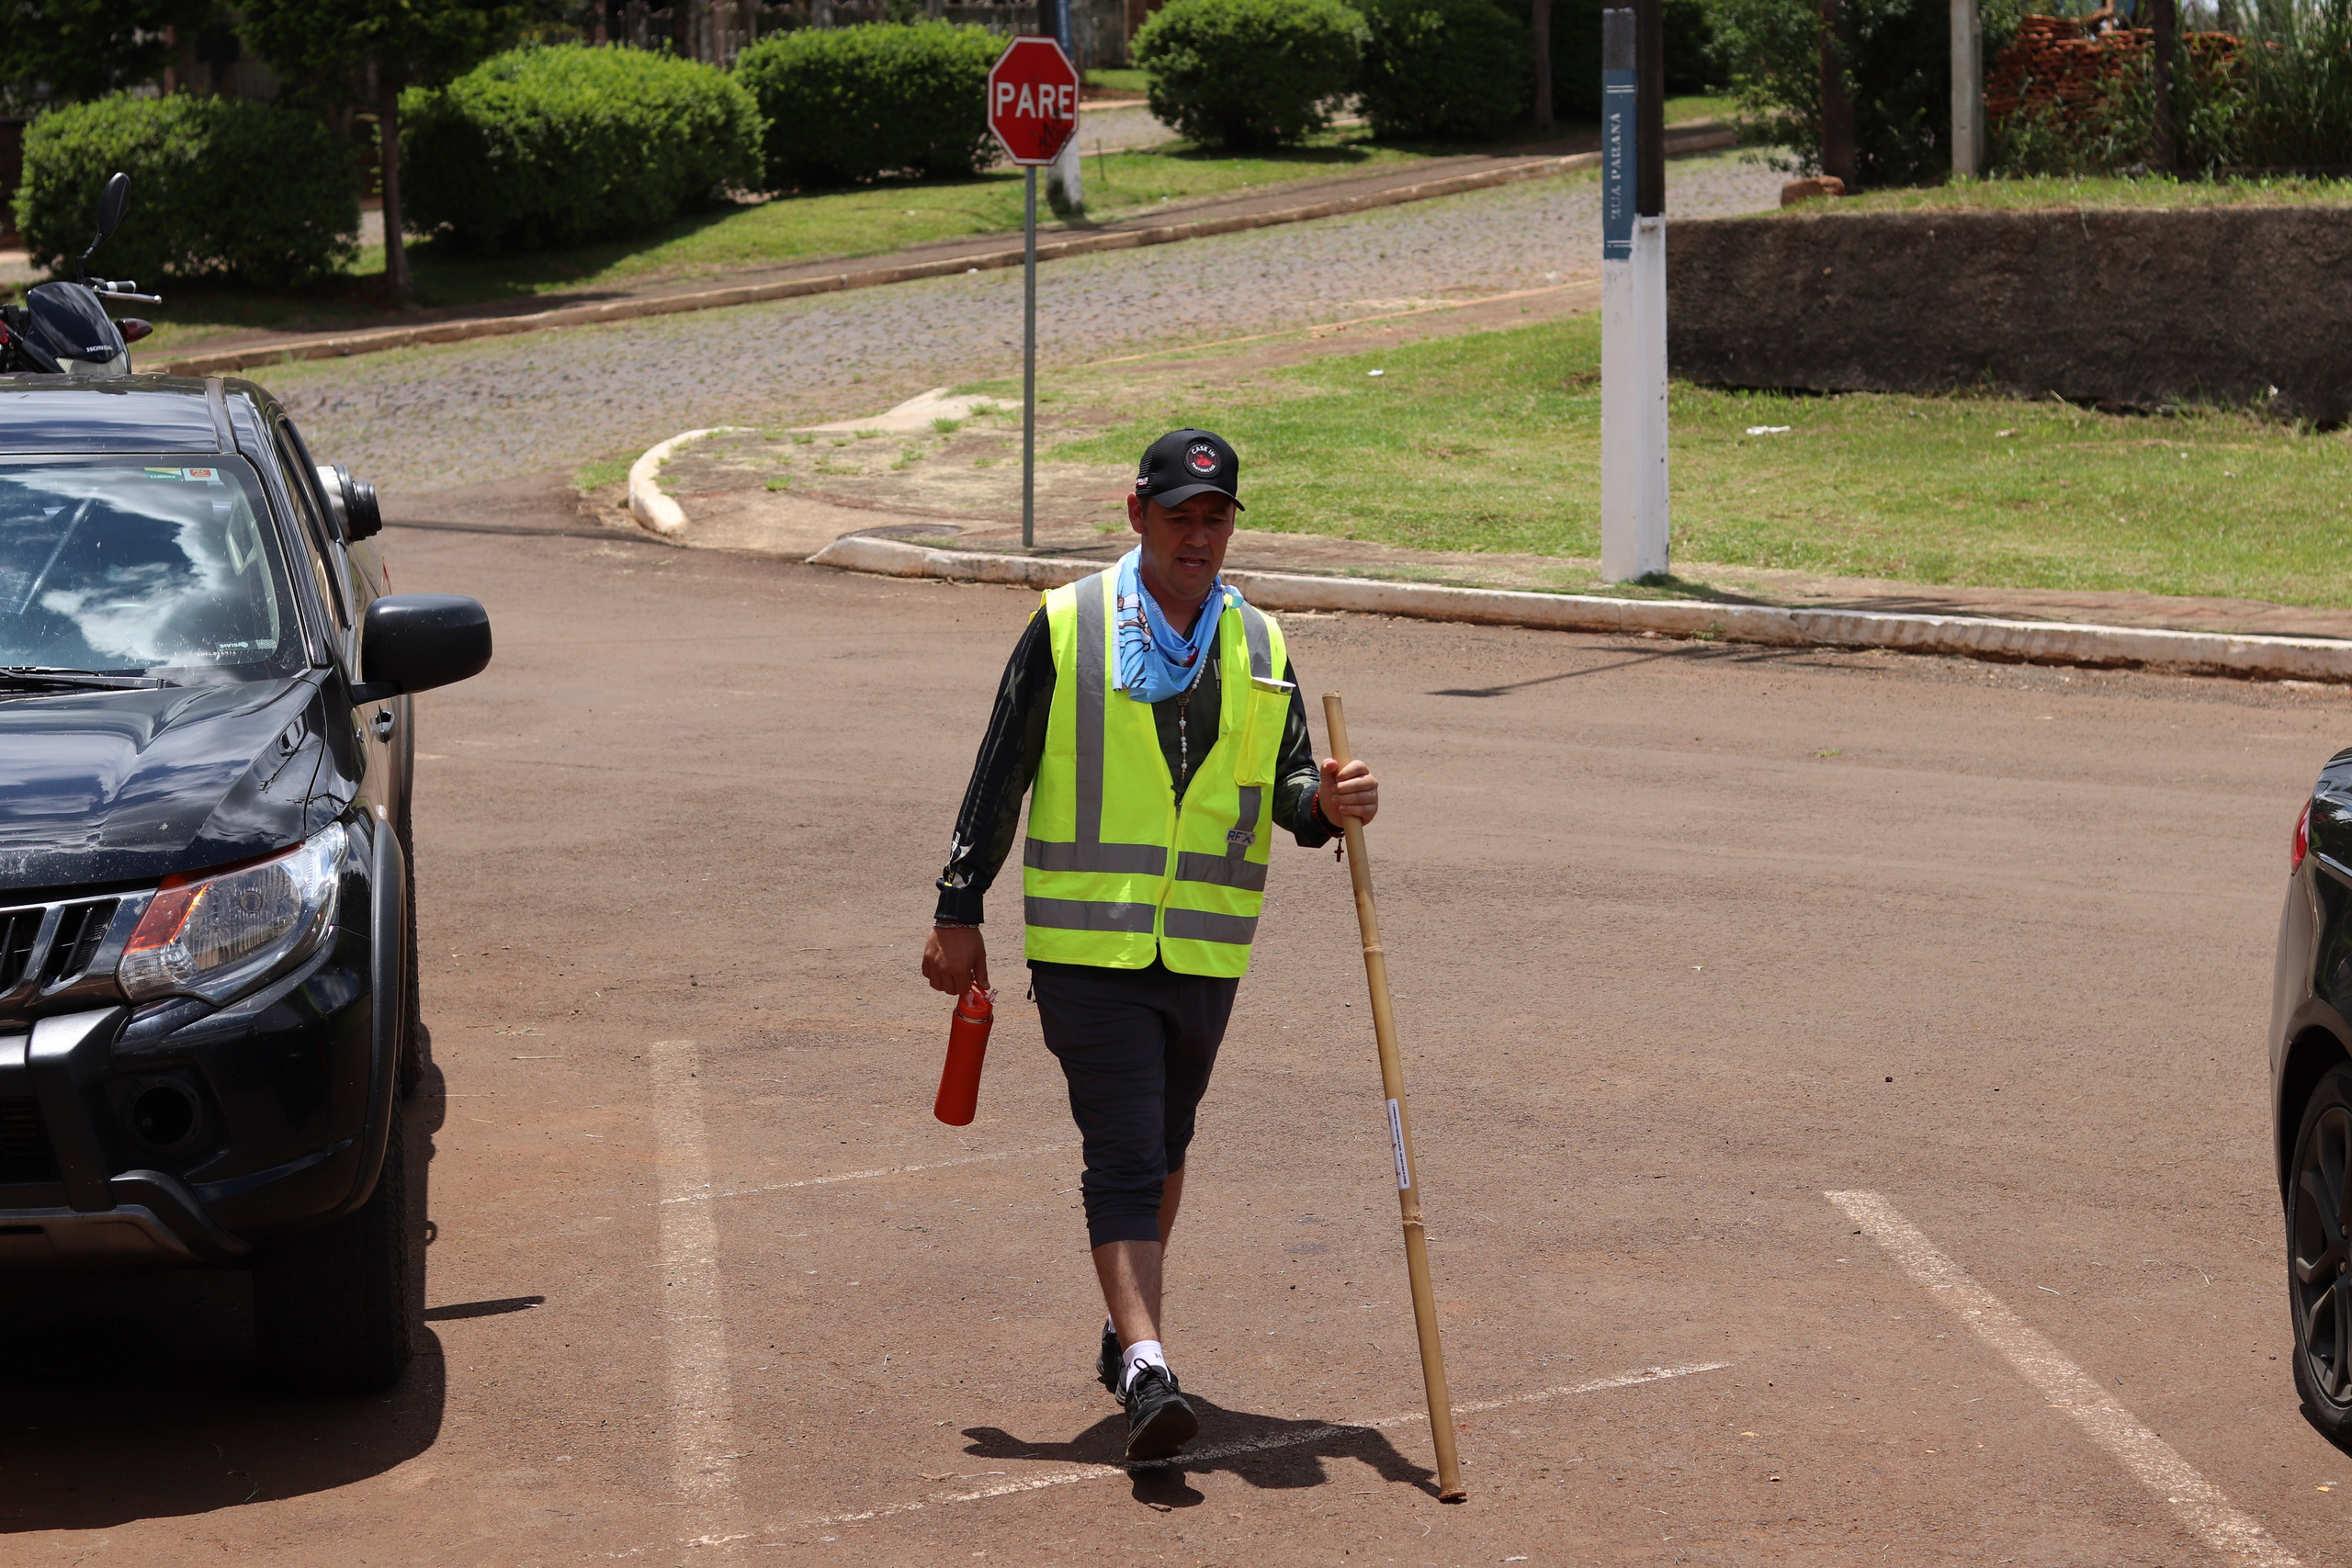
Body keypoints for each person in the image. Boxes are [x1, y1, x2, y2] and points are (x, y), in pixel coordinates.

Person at [922, 428, 1379, 1461]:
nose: (1199, 537)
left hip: (1206, 950)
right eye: (1179, 517)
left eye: (1215, 519)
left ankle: (1129, 1326)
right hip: (1091, 946)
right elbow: (1000, 772)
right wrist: (959, 904)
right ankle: (1146, 1369)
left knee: (1166, 1147)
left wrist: (1335, 801)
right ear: (1136, 515)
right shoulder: (1070, 624)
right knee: (1124, 1150)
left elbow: (1288, 792)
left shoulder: (1259, 644)